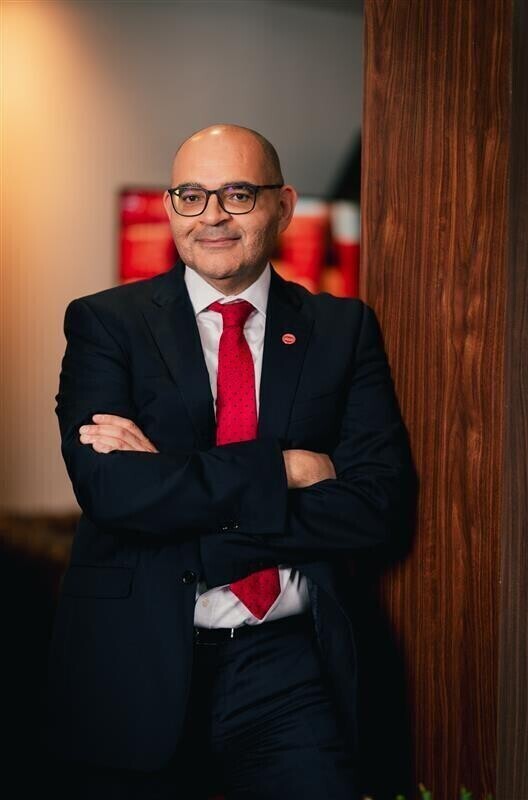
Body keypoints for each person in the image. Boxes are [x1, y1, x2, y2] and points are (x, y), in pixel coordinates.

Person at [46, 124, 414, 799]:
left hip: (288, 668)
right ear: (170, 206)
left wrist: (176, 491)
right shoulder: (107, 324)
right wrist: (282, 470)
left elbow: (375, 505)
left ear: (283, 205)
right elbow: (111, 491)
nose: (211, 216)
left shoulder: (342, 330)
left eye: (238, 194)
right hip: (133, 659)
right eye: (191, 195)